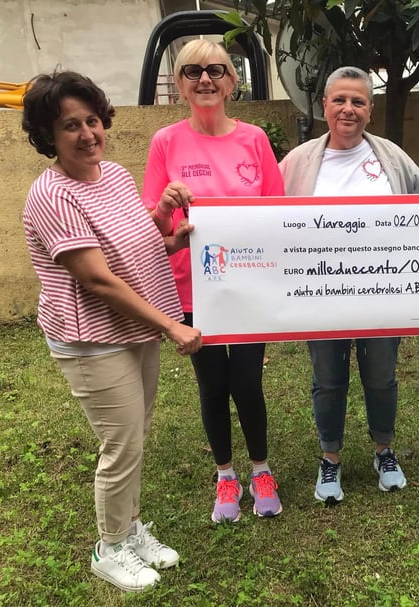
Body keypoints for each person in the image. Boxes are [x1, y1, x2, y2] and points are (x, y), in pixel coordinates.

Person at [21, 70, 202, 592]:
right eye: (69, 126)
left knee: (134, 435)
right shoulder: (52, 195)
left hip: (133, 328)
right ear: (48, 136)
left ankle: (130, 528)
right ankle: (110, 547)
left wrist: (167, 230)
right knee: (121, 442)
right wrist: (173, 326)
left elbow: (135, 242)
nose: (86, 134)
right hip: (91, 339)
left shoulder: (115, 175)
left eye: (92, 121)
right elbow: (97, 279)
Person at [142, 39, 285, 522]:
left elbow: (278, 213)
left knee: (247, 381)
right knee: (212, 384)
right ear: (180, 85)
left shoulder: (255, 140)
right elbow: (152, 223)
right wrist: (166, 209)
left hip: (248, 286)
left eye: (216, 70)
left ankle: (261, 469)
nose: (205, 79)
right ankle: (226, 475)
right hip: (192, 288)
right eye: (193, 71)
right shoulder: (165, 142)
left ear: (231, 82)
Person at [279, 66, 419, 505]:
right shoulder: (297, 162)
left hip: (383, 292)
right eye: (339, 100)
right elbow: (265, 216)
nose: (348, 109)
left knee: (381, 375)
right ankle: (330, 457)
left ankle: (384, 451)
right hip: (320, 293)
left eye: (358, 101)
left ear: (370, 110)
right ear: (324, 106)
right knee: (328, 378)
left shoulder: (392, 158)